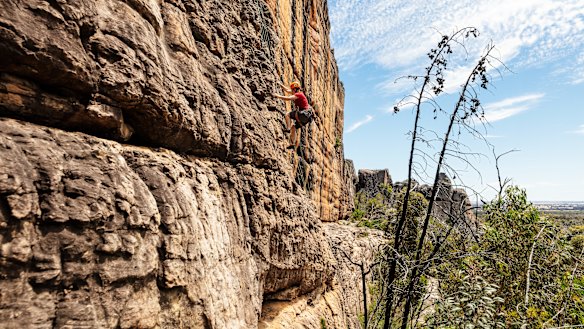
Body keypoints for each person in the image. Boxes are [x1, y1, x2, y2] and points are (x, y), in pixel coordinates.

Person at [272, 81, 319, 149]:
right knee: (293, 127)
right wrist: (281, 85)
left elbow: (288, 98)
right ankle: (292, 143)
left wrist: (278, 96)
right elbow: (288, 91)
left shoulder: (298, 95)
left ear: (295, 89)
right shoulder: (298, 94)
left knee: (287, 114)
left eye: (292, 89)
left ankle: (288, 128)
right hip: (306, 118)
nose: (291, 91)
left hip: (303, 114)